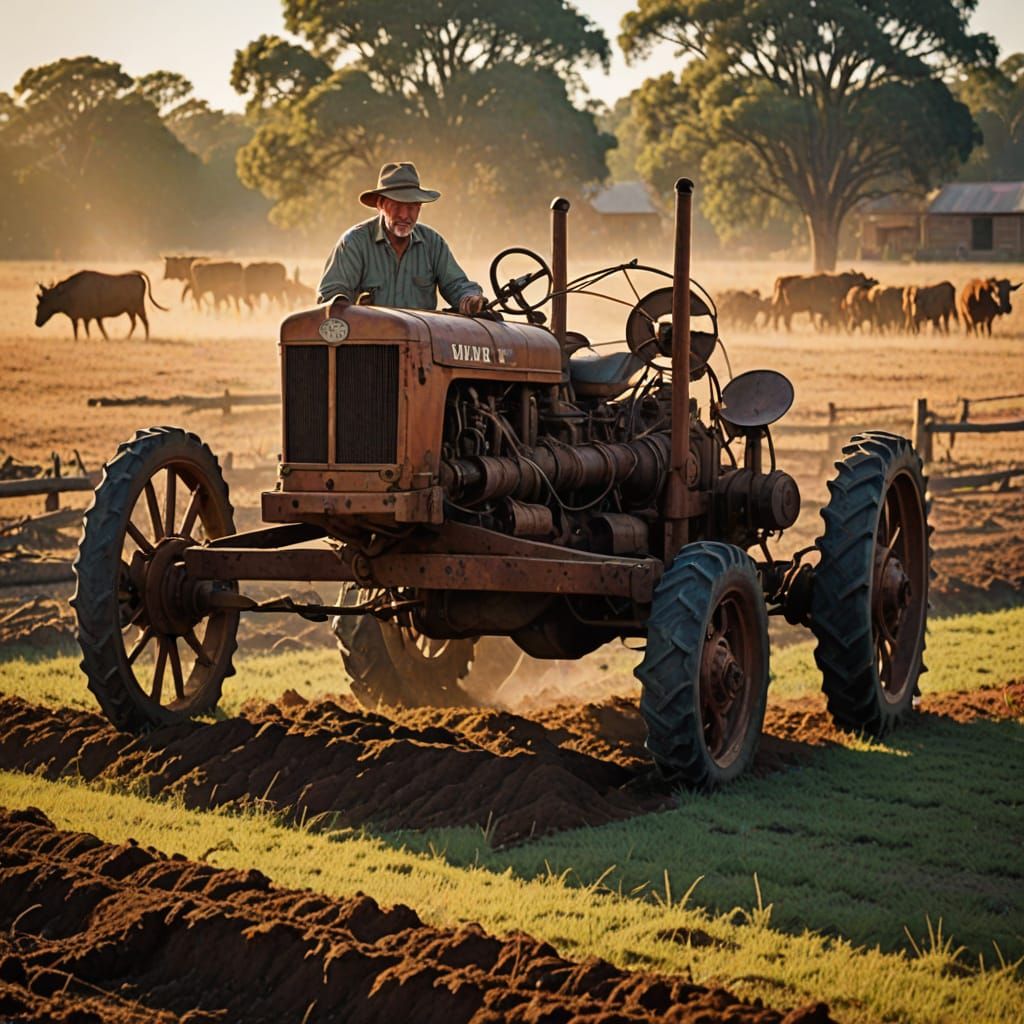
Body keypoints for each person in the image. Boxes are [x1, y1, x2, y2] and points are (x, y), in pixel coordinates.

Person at [317, 161, 487, 315]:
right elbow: (330, 298)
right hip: (367, 342)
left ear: (420, 207)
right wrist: (353, 310)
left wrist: (470, 299)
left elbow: (456, 285)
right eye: (396, 206)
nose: (404, 215)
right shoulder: (354, 243)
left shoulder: (433, 243)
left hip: (420, 342)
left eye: (412, 207)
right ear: (380, 205)